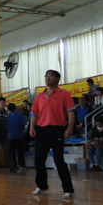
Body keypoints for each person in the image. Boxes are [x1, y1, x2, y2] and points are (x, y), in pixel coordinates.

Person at [30, 70, 75, 198]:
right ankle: (41, 186)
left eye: (50, 76)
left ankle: (68, 189)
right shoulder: (39, 96)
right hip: (41, 131)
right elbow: (35, 114)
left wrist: (69, 128)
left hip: (57, 130)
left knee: (59, 160)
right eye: (46, 76)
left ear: (57, 79)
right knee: (38, 160)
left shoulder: (64, 94)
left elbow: (71, 112)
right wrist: (32, 127)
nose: (47, 78)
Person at [7, 103, 26, 170]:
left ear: (8, 109)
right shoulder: (19, 115)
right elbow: (24, 122)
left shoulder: (7, 117)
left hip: (11, 136)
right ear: (15, 107)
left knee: (12, 151)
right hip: (19, 135)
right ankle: (21, 164)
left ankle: (14, 165)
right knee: (20, 151)